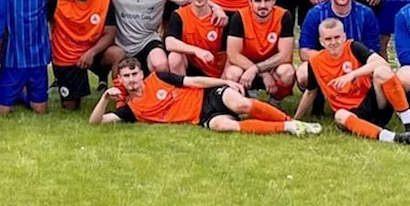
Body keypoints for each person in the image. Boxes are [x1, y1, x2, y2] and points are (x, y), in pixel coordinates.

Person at [89, 58, 319, 136]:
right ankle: (287, 129)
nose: (131, 79)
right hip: (202, 117)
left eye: (134, 74)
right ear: (119, 78)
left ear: (142, 73)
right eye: (126, 76)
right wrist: (104, 100)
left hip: (209, 96)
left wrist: (225, 82)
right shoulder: (131, 109)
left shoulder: (158, 77)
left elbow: (194, 81)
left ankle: (293, 121)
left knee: (241, 103)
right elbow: (96, 122)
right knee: (224, 126)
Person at [296, 18, 410, 144]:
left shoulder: (353, 47)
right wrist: (295, 119)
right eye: (328, 39)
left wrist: (351, 75)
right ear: (321, 42)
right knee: (339, 116)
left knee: (382, 71)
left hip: (373, 103)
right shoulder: (315, 61)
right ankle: (393, 138)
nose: (333, 42)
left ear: (344, 37)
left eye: (337, 37)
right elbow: (310, 92)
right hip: (350, 113)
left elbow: (381, 62)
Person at [48, 0, 118, 110]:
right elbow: (44, 22)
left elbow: (110, 33)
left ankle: (121, 98)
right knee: (70, 108)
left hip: (95, 52)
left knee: (118, 53)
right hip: (66, 56)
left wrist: (91, 52)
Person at [223, 0, 296, 101]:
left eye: (267, 0)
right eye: (257, 1)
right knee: (232, 73)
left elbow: (285, 55)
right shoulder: (239, 17)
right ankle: (245, 97)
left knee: (287, 71)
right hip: (245, 66)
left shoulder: (284, 16)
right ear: (250, 2)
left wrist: (257, 69)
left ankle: (276, 100)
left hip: (272, 67)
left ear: (274, 0)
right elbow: (233, 55)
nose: (262, 5)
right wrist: (262, 72)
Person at [297, 0, 382, 65]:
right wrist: (335, 61)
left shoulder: (365, 14)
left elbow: (373, 50)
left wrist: (350, 62)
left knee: (380, 71)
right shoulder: (315, 14)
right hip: (324, 65)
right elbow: (304, 52)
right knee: (303, 72)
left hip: (356, 65)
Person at [164, 0, 227, 77]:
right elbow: (169, 43)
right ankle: (182, 92)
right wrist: (197, 51)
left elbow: (227, 52)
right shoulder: (179, 15)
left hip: (213, 70)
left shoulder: (220, 17)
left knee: (232, 71)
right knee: (174, 56)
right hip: (190, 67)